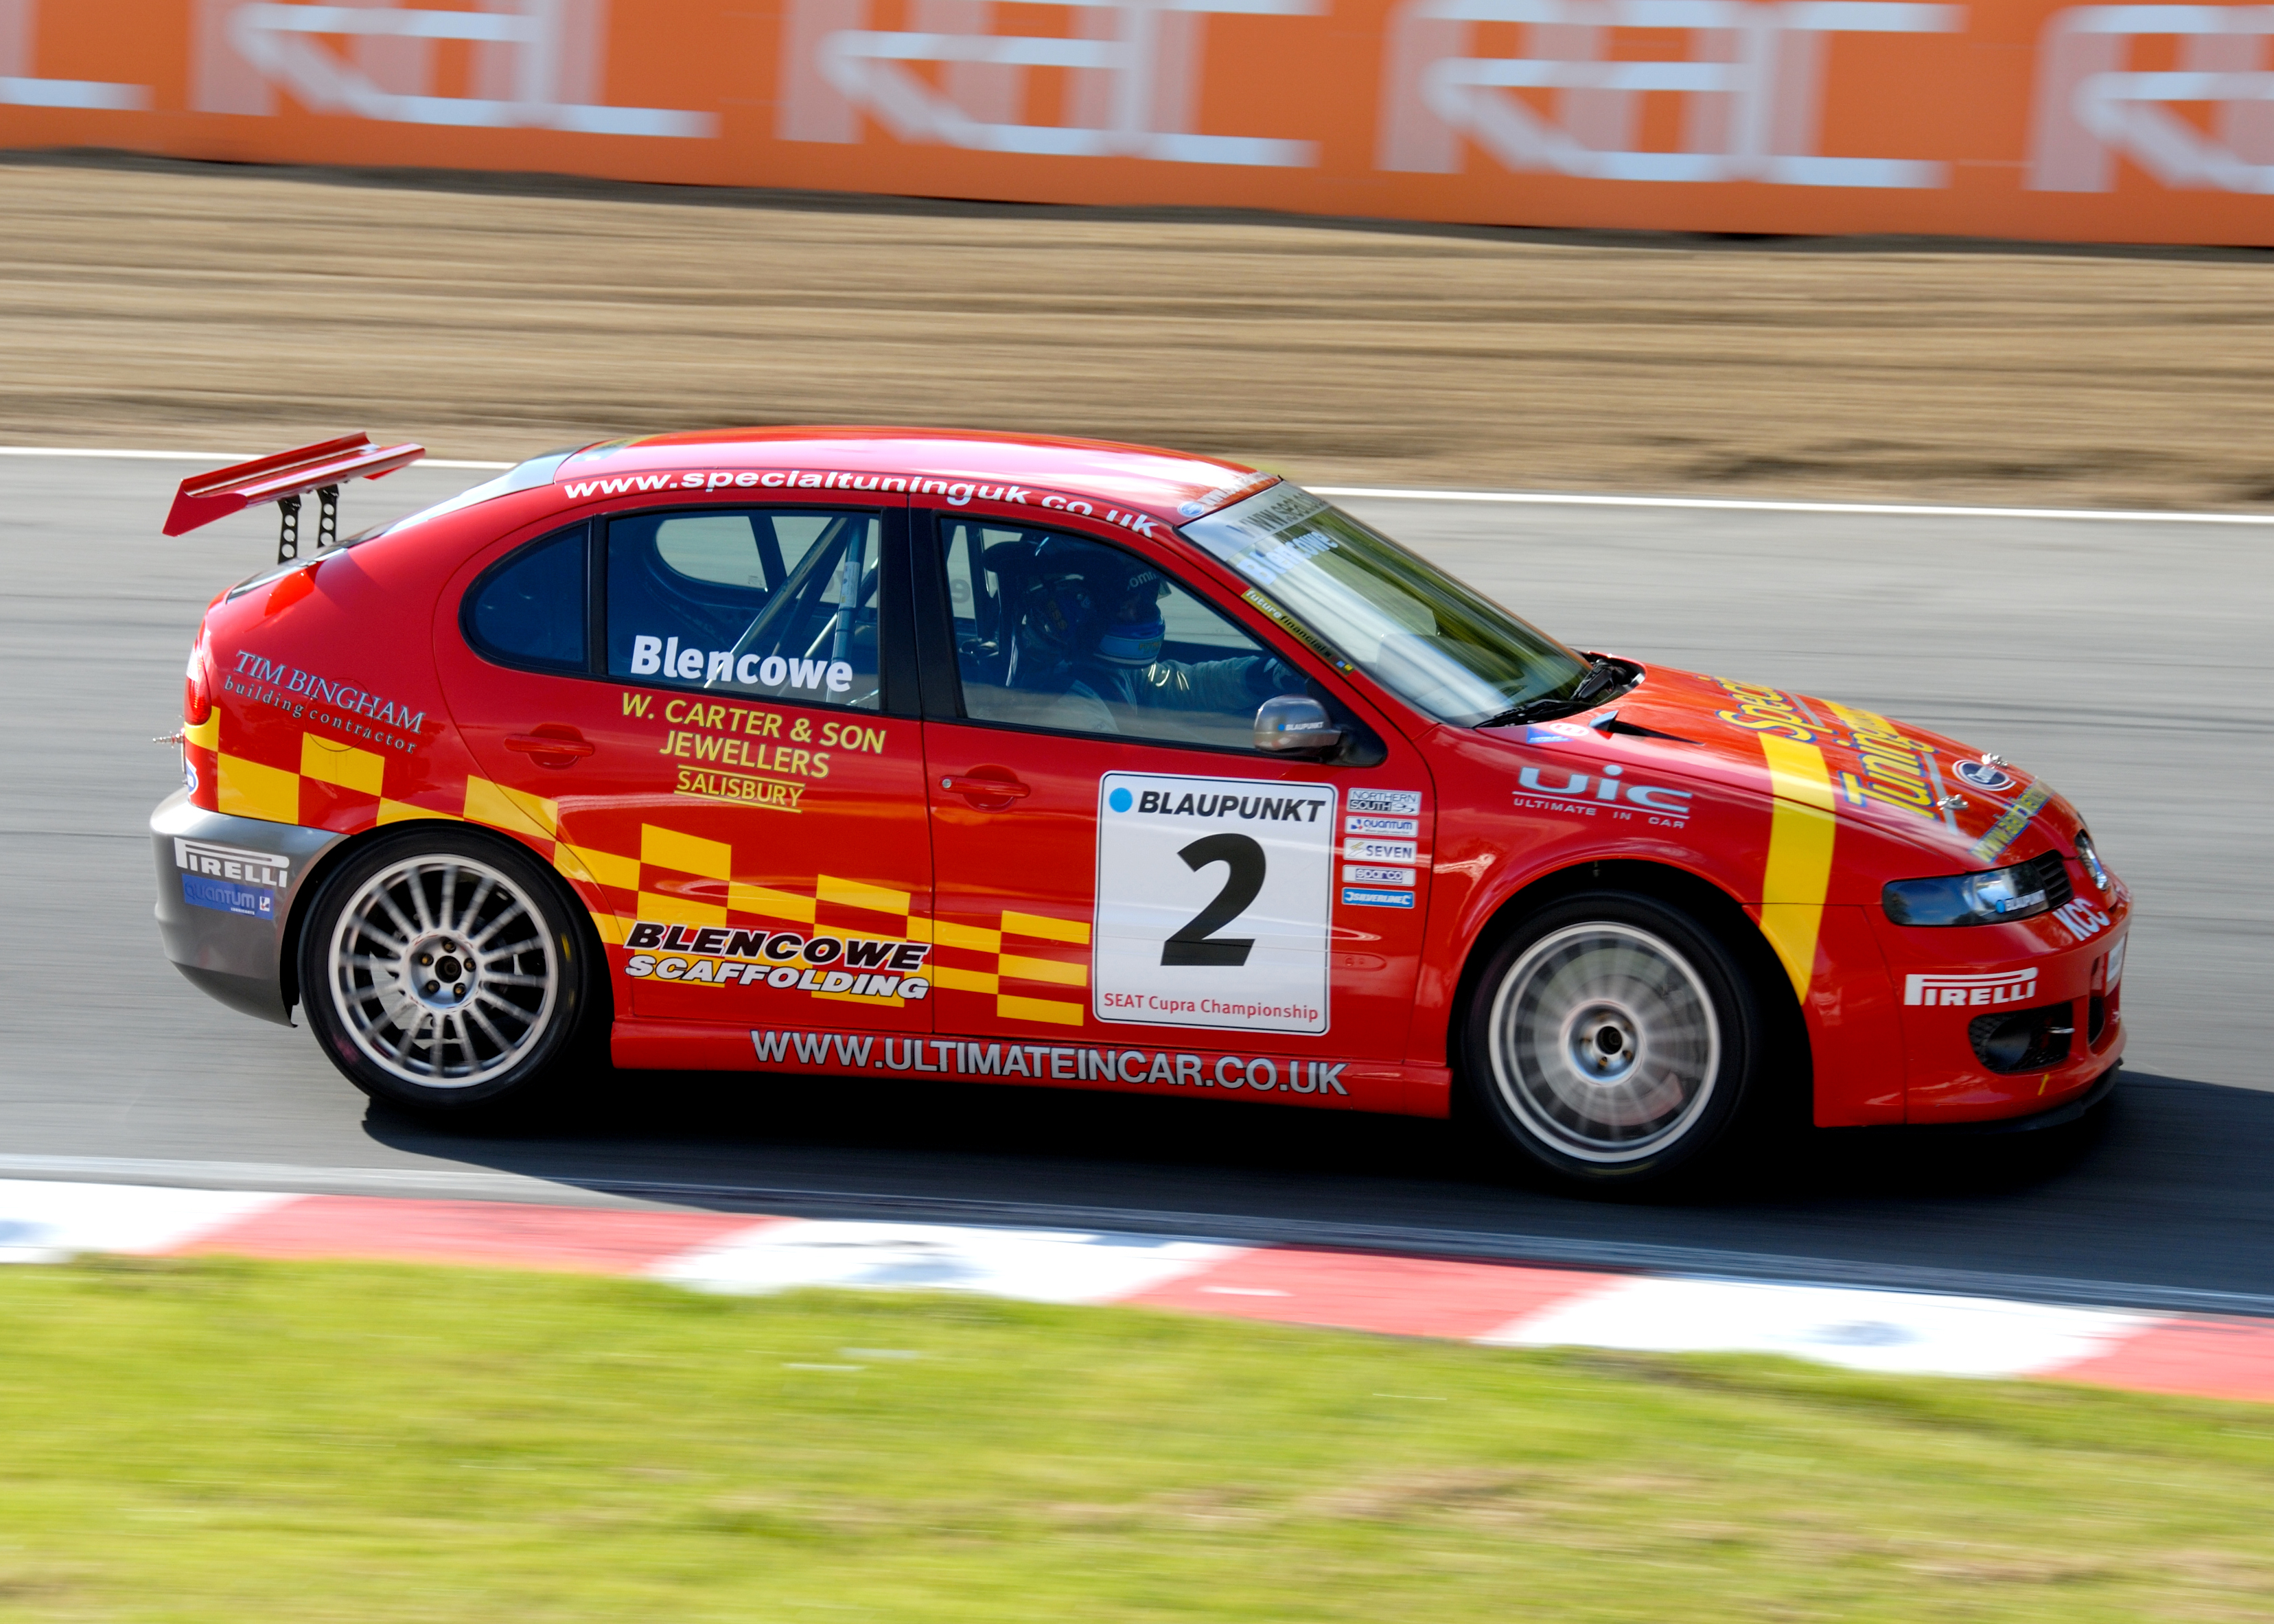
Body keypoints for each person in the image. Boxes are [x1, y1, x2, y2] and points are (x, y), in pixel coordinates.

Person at [987, 537, 1305, 739]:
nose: (1141, 615)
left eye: (1145, 603)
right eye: (1128, 606)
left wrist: (1266, 675)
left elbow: (1181, 686)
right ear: (1072, 607)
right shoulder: (1064, 708)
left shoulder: (1095, 666)